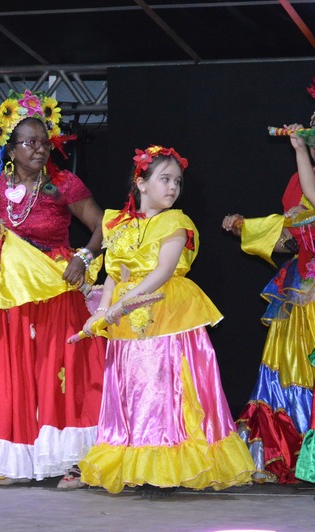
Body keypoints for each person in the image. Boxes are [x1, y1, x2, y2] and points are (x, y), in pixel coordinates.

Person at [0, 90, 106, 488]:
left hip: (54, 288)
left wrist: (84, 256)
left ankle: (70, 460)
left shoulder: (64, 184)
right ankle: (12, 457)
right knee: (10, 371)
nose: (40, 150)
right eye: (30, 143)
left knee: (57, 372)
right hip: (9, 293)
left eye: (44, 142)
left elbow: (103, 225)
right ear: (10, 148)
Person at [78, 145, 255, 498]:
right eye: (164, 179)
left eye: (177, 181)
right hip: (127, 320)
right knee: (133, 390)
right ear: (140, 183)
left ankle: (168, 466)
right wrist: (103, 310)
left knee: (165, 388)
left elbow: (163, 271)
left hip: (165, 312)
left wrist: (121, 305)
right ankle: (140, 465)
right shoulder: (116, 222)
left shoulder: (176, 222)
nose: (173, 187)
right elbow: (113, 274)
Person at [222, 111, 315, 483]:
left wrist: (298, 150)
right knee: (288, 373)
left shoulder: (303, 172)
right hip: (300, 289)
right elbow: (294, 238)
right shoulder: (298, 177)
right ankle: (287, 451)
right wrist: (248, 230)